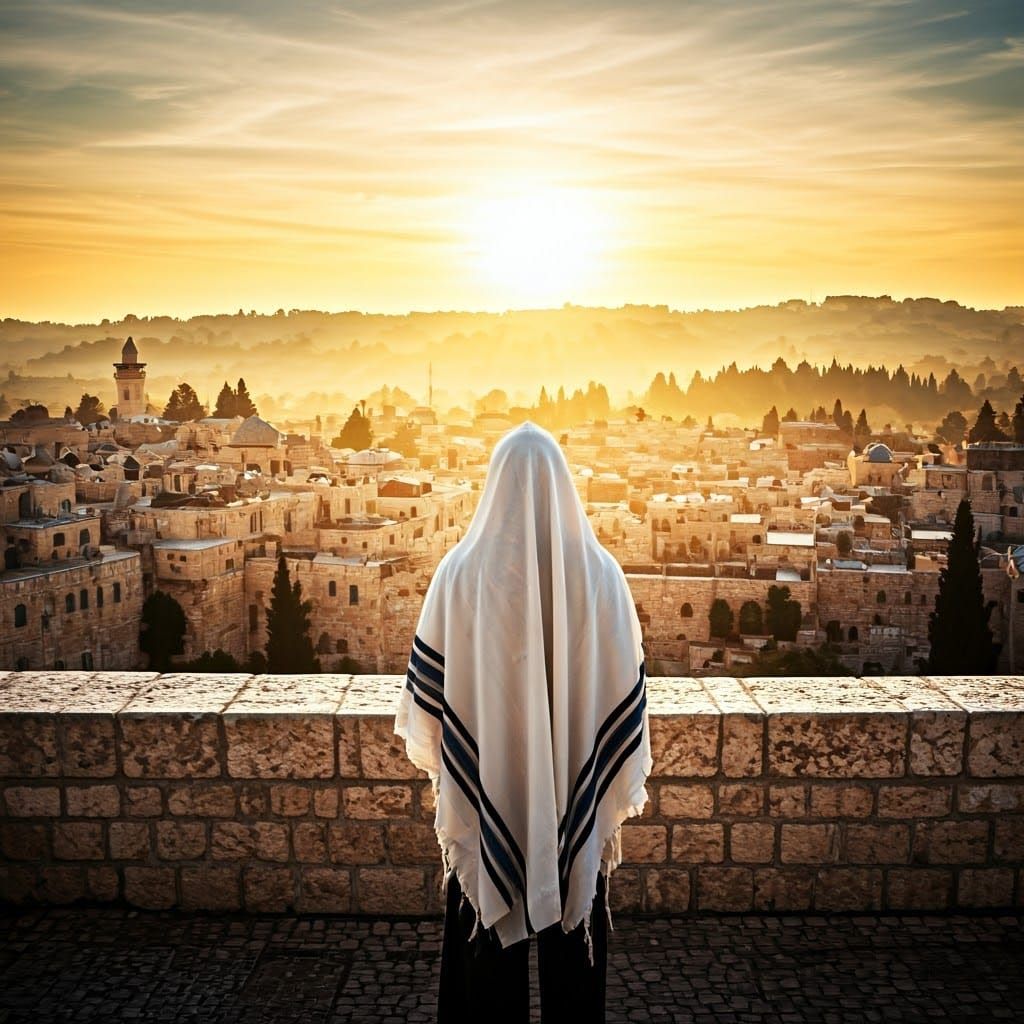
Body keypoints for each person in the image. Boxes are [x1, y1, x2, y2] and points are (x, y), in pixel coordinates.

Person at [394, 420, 651, 1024]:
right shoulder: (604, 577)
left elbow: (429, 702)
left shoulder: (458, 575)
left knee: (481, 936)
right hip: (576, 795)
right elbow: (627, 693)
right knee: (576, 931)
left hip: (487, 798)